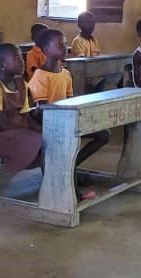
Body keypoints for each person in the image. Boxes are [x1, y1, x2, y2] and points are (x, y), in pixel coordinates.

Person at [28, 29, 109, 197]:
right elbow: (42, 110)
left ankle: (70, 166)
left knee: (104, 134)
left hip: (66, 119)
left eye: (65, 44)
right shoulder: (40, 76)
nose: (65, 48)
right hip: (48, 124)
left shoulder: (65, 74)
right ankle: (73, 193)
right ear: (45, 49)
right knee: (68, 144)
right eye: (59, 45)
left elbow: (70, 101)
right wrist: (64, 123)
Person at [0, 43, 42, 174]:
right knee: (40, 142)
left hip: (19, 129)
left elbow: (25, 115)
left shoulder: (22, 84)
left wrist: (38, 129)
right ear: (2, 65)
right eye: (16, 58)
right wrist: (29, 133)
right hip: (1, 135)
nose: (22, 62)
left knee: (49, 137)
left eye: (21, 57)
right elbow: (0, 123)